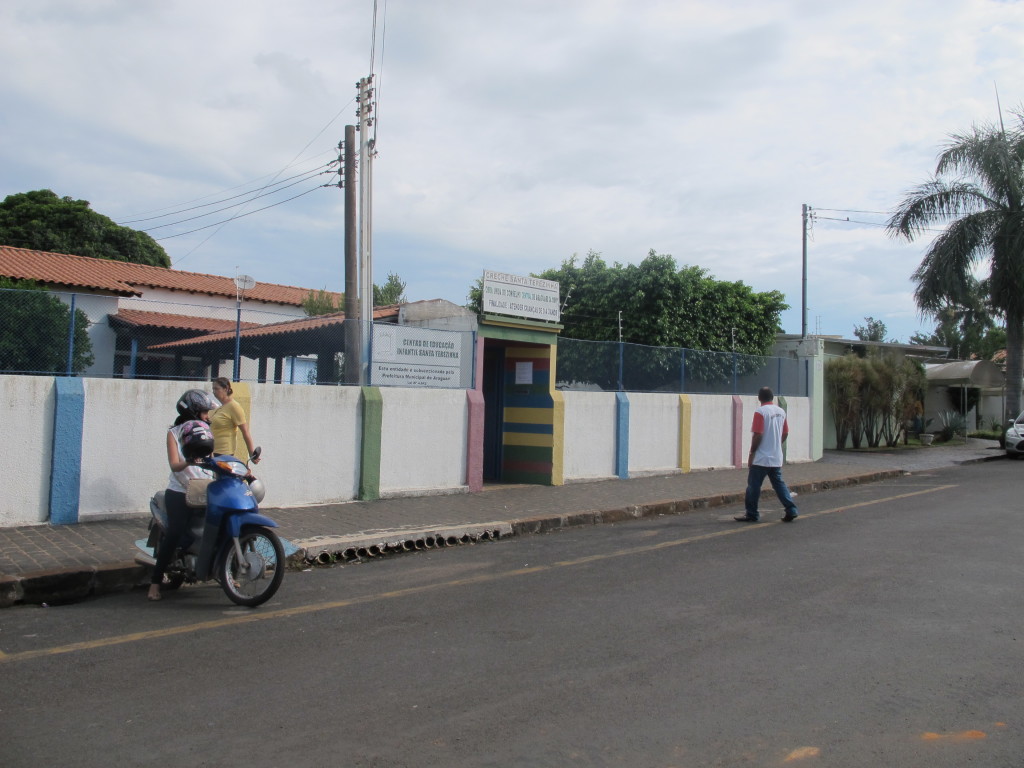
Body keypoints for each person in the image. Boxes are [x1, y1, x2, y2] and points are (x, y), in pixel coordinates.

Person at [148, 390, 218, 601]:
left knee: (218, 527)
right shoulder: (174, 432)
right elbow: (174, 464)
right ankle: (154, 583)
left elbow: (212, 459)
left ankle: (226, 573)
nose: (207, 416)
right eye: (205, 412)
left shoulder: (205, 430)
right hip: (179, 491)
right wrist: (189, 461)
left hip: (204, 487)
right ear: (193, 411)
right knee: (175, 533)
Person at [735, 386, 799, 523]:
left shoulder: (760, 412)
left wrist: (752, 452)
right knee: (779, 484)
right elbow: (785, 433)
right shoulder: (781, 412)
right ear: (772, 397)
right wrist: (776, 444)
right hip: (776, 457)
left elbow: (758, 434)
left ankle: (752, 513)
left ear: (759, 398)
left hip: (761, 458)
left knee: (753, 486)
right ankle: (791, 509)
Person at [210, 377, 261, 463]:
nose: (214, 392)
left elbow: (245, 432)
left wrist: (252, 453)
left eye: (216, 389)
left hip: (224, 453)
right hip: (212, 452)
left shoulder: (234, 407)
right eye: (213, 389)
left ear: (226, 389)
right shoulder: (219, 407)